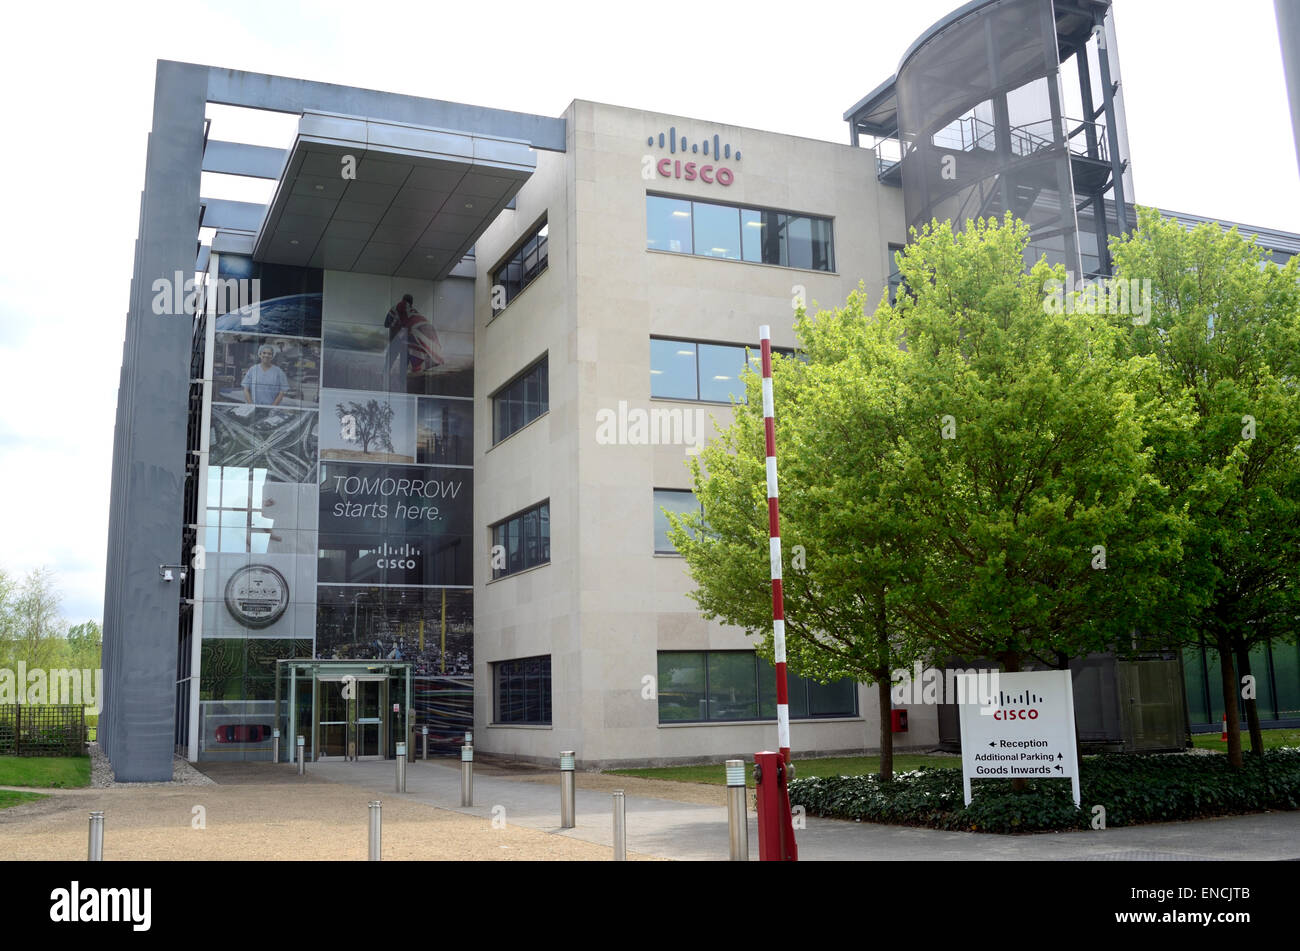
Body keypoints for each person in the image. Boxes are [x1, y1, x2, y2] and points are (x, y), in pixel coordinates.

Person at [384, 294, 444, 375]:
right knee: (411, 354)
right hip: (428, 328)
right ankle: (410, 373)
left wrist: (392, 343)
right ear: (411, 304)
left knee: (396, 354)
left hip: (414, 328)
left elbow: (386, 324)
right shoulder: (414, 311)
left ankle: (387, 374)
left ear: (403, 299)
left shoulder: (397, 307)